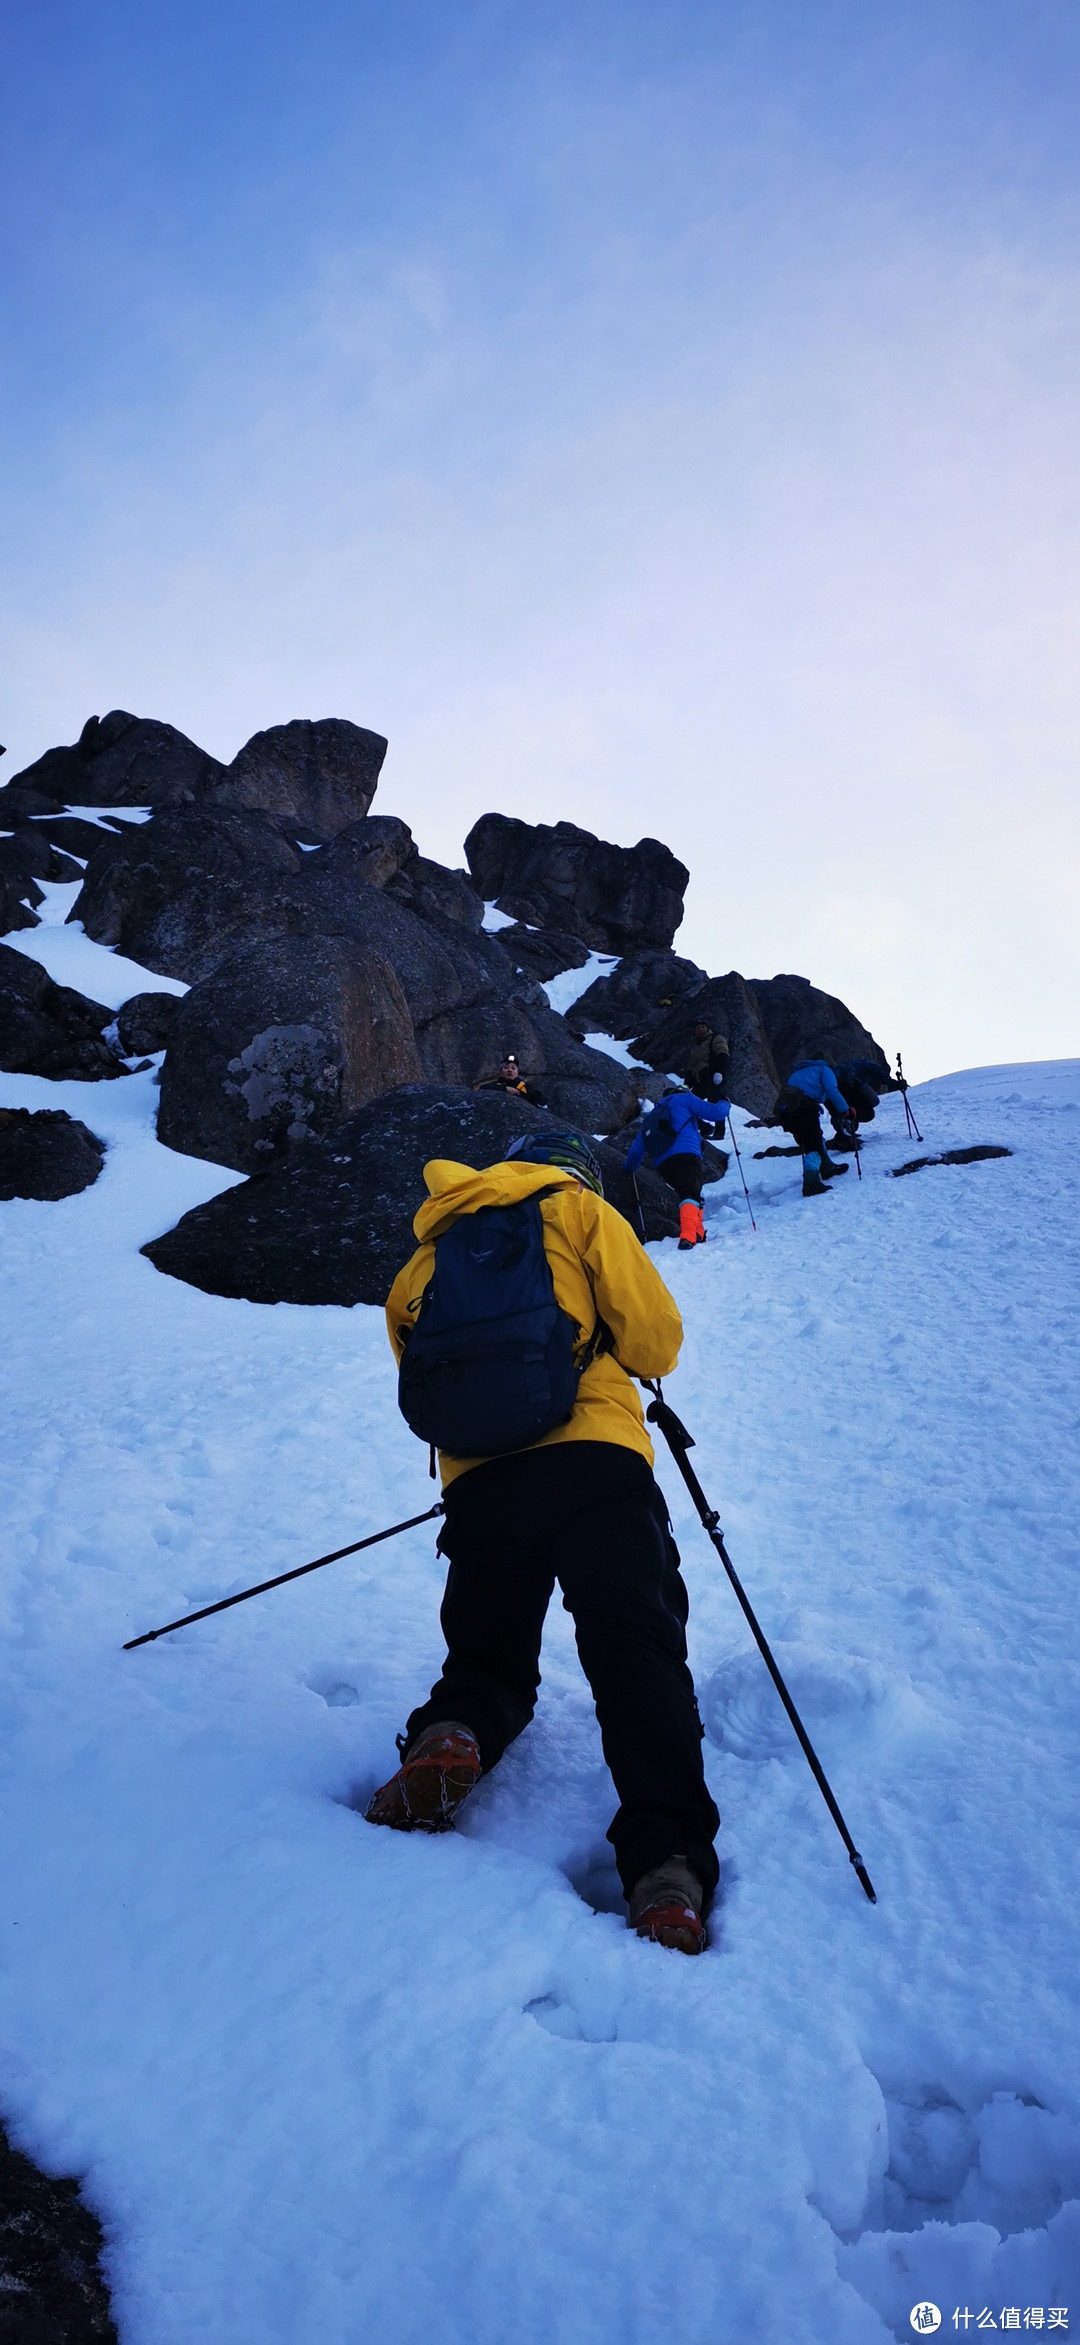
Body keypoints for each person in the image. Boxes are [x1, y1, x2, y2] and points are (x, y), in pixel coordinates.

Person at [365, 1130, 720, 1955]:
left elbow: (419, 1374)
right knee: (636, 1652)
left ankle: (452, 1733)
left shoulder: (431, 1250)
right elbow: (655, 1341)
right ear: (575, 1168)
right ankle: (666, 1866)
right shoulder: (577, 1209)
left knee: (487, 1657)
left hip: (482, 1483)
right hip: (598, 1462)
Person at [623, 1084, 729, 1249]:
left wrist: (629, 1167)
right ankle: (688, 1236)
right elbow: (716, 1113)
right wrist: (725, 1102)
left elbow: (637, 1148)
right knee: (690, 1193)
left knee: (690, 1193)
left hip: (664, 1165)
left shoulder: (653, 1114)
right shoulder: (685, 1098)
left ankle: (698, 1233)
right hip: (686, 1154)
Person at [773, 1061, 856, 1196]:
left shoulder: (799, 1073)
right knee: (813, 1145)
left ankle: (826, 1167)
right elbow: (832, 1091)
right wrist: (846, 1110)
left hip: (788, 1112)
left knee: (814, 1138)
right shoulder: (825, 1070)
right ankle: (811, 1183)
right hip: (805, 1107)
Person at [475, 1052, 547, 1107]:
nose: (510, 1070)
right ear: (500, 1072)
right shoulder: (495, 1085)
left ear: (517, 1073)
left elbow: (542, 1102)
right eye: (506, 1068)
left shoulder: (524, 1087)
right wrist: (505, 1089)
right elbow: (482, 1088)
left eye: (513, 1068)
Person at [685, 1020, 731, 1106]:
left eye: (702, 1027)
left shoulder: (716, 1038)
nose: (700, 1029)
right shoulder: (695, 1046)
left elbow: (723, 1055)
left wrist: (719, 1072)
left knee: (714, 1103)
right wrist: (687, 1084)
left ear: (708, 1028)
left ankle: (718, 1119)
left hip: (713, 1077)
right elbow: (691, 1066)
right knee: (691, 1103)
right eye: (697, 1028)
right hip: (700, 1080)